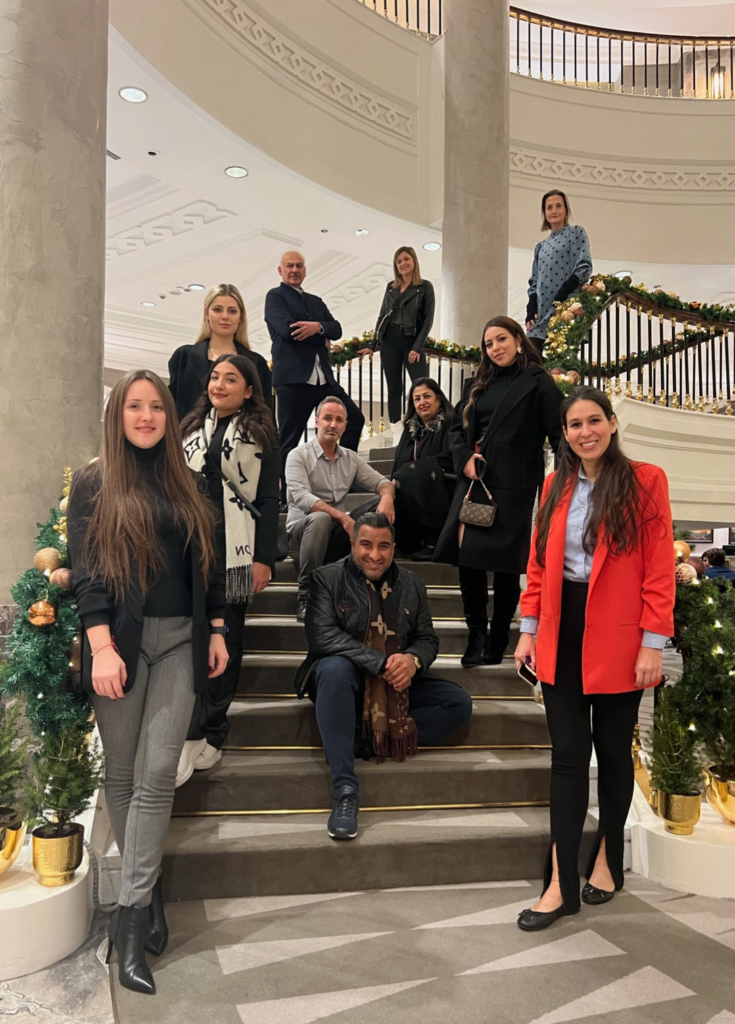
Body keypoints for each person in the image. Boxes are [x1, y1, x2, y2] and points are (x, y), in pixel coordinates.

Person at [67, 370, 227, 995]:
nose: (145, 415)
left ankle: (128, 924)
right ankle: (148, 893)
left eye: (155, 405)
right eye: (133, 405)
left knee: (159, 773)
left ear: (167, 414)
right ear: (118, 414)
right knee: (124, 776)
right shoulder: (94, 481)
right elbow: (85, 572)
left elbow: (206, 562)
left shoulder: (187, 479)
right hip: (122, 648)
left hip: (181, 641)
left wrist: (216, 627)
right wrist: (101, 646)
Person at [514, 386, 675, 932]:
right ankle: (560, 883)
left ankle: (607, 859)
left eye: (594, 421)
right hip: (563, 630)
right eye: (574, 424)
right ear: (564, 433)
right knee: (566, 757)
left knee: (611, 752)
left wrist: (653, 643)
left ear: (611, 422)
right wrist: (527, 633)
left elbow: (657, 568)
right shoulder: (554, 486)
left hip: (621, 636)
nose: (585, 432)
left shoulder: (645, 480)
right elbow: (539, 568)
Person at [294, 512, 473, 840]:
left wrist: (413, 661)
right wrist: (382, 663)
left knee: (457, 704)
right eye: (366, 545)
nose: (374, 555)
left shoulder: (413, 583)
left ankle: (368, 737)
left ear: (393, 548)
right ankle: (345, 790)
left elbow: (427, 639)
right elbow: (323, 637)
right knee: (333, 668)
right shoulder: (326, 579)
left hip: (393, 687)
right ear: (352, 544)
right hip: (346, 682)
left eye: (383, 546)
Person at [434, 317, 564, 668]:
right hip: (476, 479)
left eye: (501, 339)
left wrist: (563, 481)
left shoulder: (539, 382)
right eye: (489, 344)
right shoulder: (477, 383)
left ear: (519, 340)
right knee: (468, 559)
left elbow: (560, 434)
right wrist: (463, 460)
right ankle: (477, 631)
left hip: (516, 484)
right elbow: (456, 431)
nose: (495, 348)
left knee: (506, 566)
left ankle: (499, 635)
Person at [175, 355, 280, 785]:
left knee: (227, 637)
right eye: (215, 377)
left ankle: (214, 730)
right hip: (188, 546)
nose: (219, 384)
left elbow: (270, 500)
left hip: (234, 549)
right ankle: (187, 723)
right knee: (187, 635)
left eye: (231, 379)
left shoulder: (260, 435)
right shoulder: (188, 430)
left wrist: (264, 558)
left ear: (249, 390)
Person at [265, 250, 365, 500]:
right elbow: (290, 332)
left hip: (324, 380)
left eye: (299, 265)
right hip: (293, 380)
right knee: (288, 441)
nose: (295, 269)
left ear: (305, 270)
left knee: (355, 419)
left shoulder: (316, 301)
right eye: (289, 265)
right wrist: (322, 337)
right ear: (281, 270)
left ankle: (344, 476)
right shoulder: (275, 297)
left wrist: (317, 327)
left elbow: (337, 328)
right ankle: (287, 498)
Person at [286, 396, 395, 622]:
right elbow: (304, 499)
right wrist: (343, 519)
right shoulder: (298, 456)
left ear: (345, 426)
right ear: (317, 422)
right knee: (320, 519)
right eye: (328, 418)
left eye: (339, 420)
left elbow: (383, 482)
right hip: (302, 536)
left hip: (335, 537)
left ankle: (372, 582)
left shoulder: (350, 458)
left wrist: (386, 497)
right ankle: (306, 596)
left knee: (378, 504)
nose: (333, 424)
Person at [362, 247, 435, 444]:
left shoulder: (425, 287)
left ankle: (423, 429)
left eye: (406, 259)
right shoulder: (391, 287)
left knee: (421, 387)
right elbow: (382, 316)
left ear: (414, 261)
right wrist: (372, 343)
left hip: (412, 341)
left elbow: (428, 320)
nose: (402, 264)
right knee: (394, 389)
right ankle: (396, 433)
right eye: (398, 261)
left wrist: (417, 347)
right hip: (390, 342)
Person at [168, 283, 272, 420]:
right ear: (207, 314)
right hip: (187, 438)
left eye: (232, 311)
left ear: (240, 317)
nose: (225, 316)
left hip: (239, 440)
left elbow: (266, 418)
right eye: (217, 310)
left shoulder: (257, 363)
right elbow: (170, 411)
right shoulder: (183, 357)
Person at [391, 377, 456, 561]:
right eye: (417, 399)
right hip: (411, 489)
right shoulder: (411, 428)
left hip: (443, 485)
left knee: (418, 471)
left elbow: (451, 456)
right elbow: (398, 464)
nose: (422, 402)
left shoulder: (451, 422)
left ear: (439, 398)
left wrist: (416, 469)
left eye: (427, 396)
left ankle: (433, 542)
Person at [526, 190, 592, 353]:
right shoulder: (540, 246)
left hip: (565, 309)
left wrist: (563, 293)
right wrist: (531, 306)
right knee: (531, 361)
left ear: (566, 210)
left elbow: (584, 267)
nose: (554, 211)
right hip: (541, 314)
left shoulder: (575, 232)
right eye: (549, 207)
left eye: (558, 206)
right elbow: (534, 281)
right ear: (544, 213)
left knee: (562, 368)